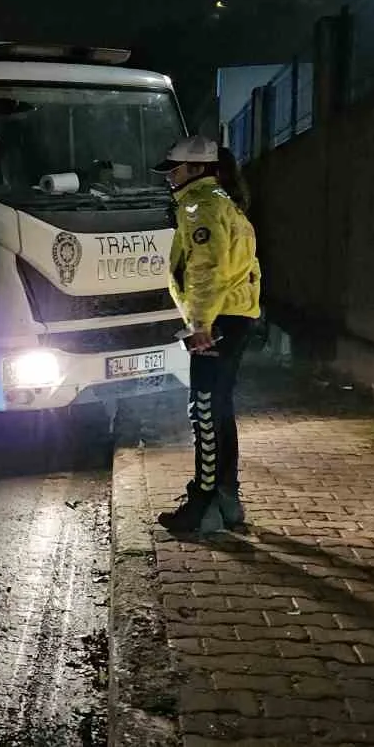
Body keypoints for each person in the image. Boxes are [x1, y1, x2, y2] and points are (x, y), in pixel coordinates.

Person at [150, 136, 262, 534]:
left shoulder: (201, 205)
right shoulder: (225, 202)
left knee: (204, 411)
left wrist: (200, 325)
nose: (169, 177)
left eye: (175, 169)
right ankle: (227, 502)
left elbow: (206, 268)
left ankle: (203, 504)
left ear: (197, 169)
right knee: (219, 409)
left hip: (218, 320)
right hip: (234, 316)